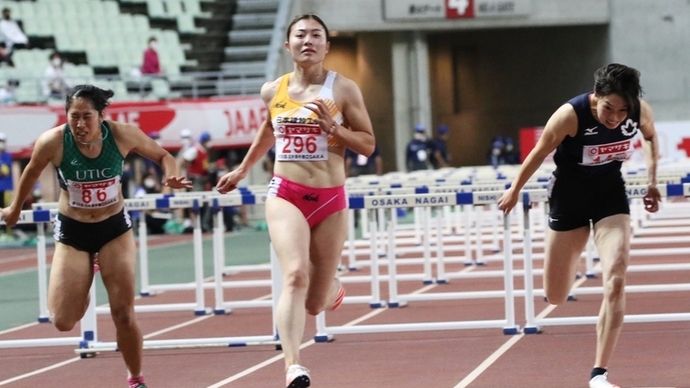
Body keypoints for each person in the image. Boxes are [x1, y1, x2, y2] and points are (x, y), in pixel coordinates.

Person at [216, 14, 375, 388]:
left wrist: (334, 129)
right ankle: (293, 366)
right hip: (285, 192)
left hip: (330, 197)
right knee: (294, 275)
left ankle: (331, 287)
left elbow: (368, 143)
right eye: (300, 35)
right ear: (287, 45)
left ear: (326, 46)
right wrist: (242, 170)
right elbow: (268, 130)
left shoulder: (344, 90)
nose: (308, 41)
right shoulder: (273, 90)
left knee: (315, 302)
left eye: (316, 35)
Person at [0, 84, 191, 388]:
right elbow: (32, 171)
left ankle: (136, 378)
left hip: (113, 229)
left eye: (86, 117)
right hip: (73, 230)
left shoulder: (122, 134)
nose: (79, 124)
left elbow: (163, 155)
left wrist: (169, 174)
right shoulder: (53, 140)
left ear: (101, 115)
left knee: (123, 314)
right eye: (73, 116)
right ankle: (84, 280)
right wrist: (14, 207)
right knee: (63, 321)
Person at [497, 63, 661, 388]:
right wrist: (514, 189)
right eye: (608, 108)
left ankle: (599, 374)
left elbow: (652, 139)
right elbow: (537, 152)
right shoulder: (569, 115)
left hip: (609, 195)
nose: (614, 118)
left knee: (616, 275)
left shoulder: (638, 111)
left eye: (621, 111)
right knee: (556, 295)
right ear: (595, 96)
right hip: (568, 197)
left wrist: (652, 182)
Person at [0, 132, 12, 235]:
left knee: (6, 210)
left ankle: (7, 233)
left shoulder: (7, 156)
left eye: (2, 141)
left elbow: (3, 172)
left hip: (5, 188)